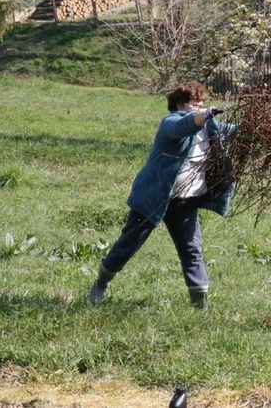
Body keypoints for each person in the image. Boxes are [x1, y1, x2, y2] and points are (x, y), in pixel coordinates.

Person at [89, 81, 235, 309]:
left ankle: (200, 306)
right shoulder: (170, 122)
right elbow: (186, 125)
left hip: (185, 200)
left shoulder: (211, 127)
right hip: (154, 197)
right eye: (193, 103)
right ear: (179, 104)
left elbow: (236, 132)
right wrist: (204, 114)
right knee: (128, 244)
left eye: (202, 103)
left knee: (192, 249)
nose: (199, 107)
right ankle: (100, 284)